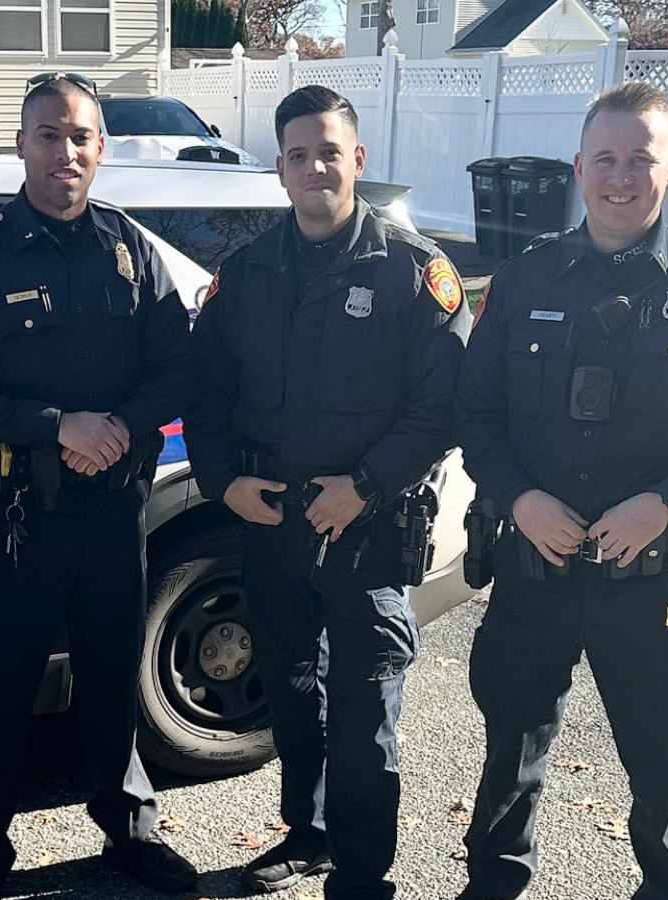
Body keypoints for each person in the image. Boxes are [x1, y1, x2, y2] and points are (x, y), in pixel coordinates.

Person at [452, 82, 668, 900]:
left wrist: (667, 504)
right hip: (532, 571)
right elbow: (475, 412)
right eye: (603, 158)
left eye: (639, 159)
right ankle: (493, 886)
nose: (619, 177)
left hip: (653, 585)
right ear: (578, 168)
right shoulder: (523, 280)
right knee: (510, 750)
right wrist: (517, 498)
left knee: (664, 758)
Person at [0, 73, 197, 900]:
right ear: (21, 144)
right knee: (2, 694)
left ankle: (129, 833)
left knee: (112, 682)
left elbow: (179, 368)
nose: (64, 151)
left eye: (80, 136)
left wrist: (117, 427)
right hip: (20, 522)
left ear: (100, 148)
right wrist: (55, 425)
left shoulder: (131, 250)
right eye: (47, 134)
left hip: (113, 513)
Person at [183, 85, 472, 899]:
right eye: (300, 155)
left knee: (366, 711)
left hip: (368, 530)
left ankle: (361, 872)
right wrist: (224, 482)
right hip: (271, 528)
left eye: (330, 153)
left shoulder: (416, 274)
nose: (316, 168)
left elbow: (442, 405)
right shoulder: (244, 277)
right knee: (291, 692)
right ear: (281, 169)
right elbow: (203, 395)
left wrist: (370, 485)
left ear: (358, 162)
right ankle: (304, 837)